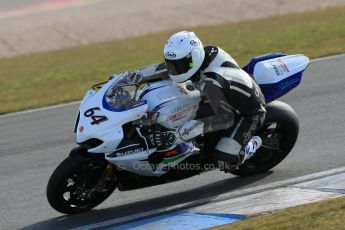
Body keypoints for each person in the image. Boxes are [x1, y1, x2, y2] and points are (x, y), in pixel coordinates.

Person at [154, 31, 266, 171]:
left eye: (180, 65)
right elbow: (161, 69)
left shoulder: (210, 81)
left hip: (249, 112)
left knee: (223, 160)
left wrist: (178, 134)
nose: (174, 70)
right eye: (172, 64)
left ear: (194, 57)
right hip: (227, 93)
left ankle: (252, 145)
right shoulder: (205, 53)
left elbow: (223, 118)